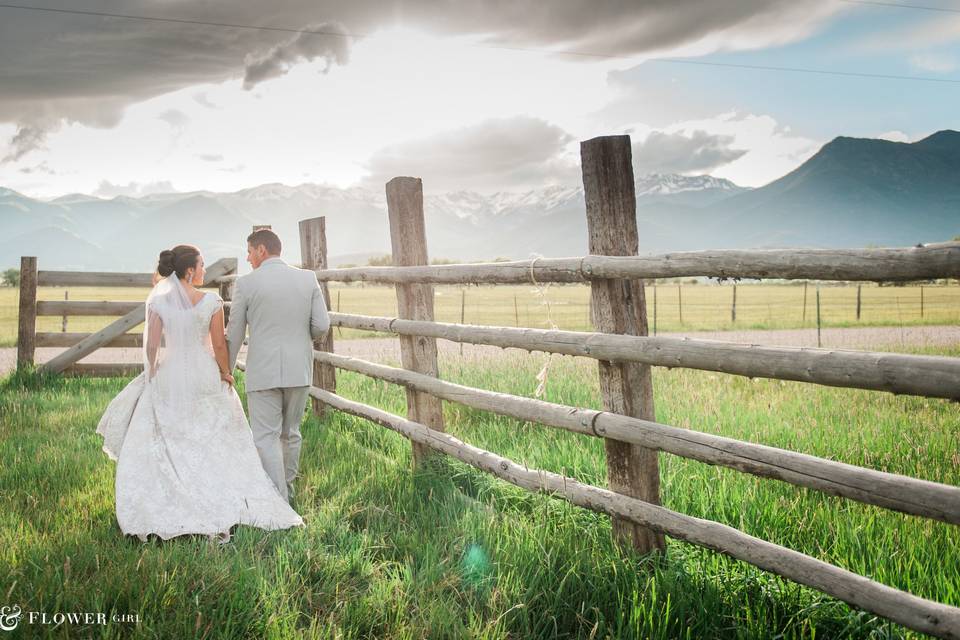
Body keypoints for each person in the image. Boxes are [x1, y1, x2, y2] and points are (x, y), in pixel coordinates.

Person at [96, 244, 304, 544]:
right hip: (204, 373)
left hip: (170, 373)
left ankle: (169, 495)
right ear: (190, 270)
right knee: (210, 434)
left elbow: (152, 347)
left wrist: (153, 372)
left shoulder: (159, 303)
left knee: (173, 434)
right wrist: (225, 371)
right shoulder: (211, 301)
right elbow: (219, 345)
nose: (205, 270)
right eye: (202, 264)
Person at [226, 229, 330, 503]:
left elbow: (234, 332)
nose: (248, 258)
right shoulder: (308, 279)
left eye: (249, 251)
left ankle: (276, 500)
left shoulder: (246, 284)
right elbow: (321, 326)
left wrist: (225, 368)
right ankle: (289, 493)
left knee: (265, 436)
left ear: (261, 250)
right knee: (291, 433)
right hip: (299, 370)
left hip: (263, 371)